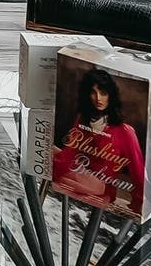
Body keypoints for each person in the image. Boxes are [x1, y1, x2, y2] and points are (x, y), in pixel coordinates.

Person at [50, 66, 145, 216]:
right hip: (80, 170)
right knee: (50, 149)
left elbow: (138, 172)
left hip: (101, 185)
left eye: (103, 93)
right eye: (93, 93)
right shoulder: (83, 118)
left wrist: (137, 205)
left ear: (111, 96)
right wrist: (56, 167)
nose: (98, 98)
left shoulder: (125, 131)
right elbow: (70, 152)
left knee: (56, 167)